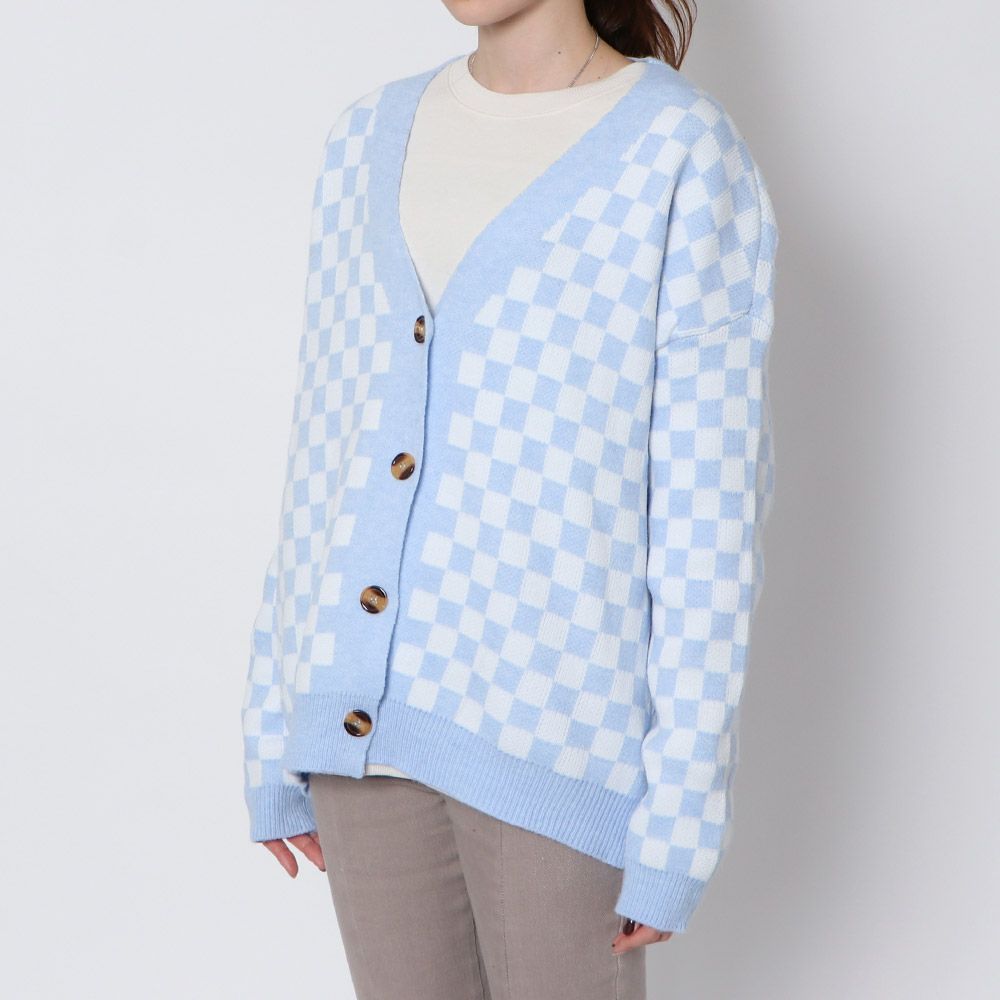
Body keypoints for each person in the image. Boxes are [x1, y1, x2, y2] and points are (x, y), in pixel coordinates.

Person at [240, 1, 779, 997]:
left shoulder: (677, 150)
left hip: (558, 747)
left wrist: (680, 812)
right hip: (363, 736)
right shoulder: (366, 135)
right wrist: (277, 722)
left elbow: (708, 517)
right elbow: (323, 453)